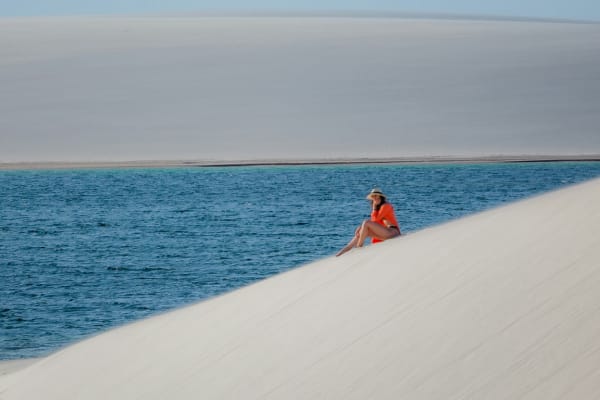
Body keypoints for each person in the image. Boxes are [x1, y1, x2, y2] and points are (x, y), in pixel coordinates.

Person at [336, 188, 401, 257]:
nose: (375, 198)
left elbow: (375, 220)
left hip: (393, 232)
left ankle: (359, 247)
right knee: (360, 233)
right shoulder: (377, 209)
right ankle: (340, 253)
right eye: (373, 196)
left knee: (366, 222)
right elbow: (373, 223)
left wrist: (374, 208)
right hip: (385, 234)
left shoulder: (386, 206)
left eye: (376, 196)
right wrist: (361, 228)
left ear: (380, 197)